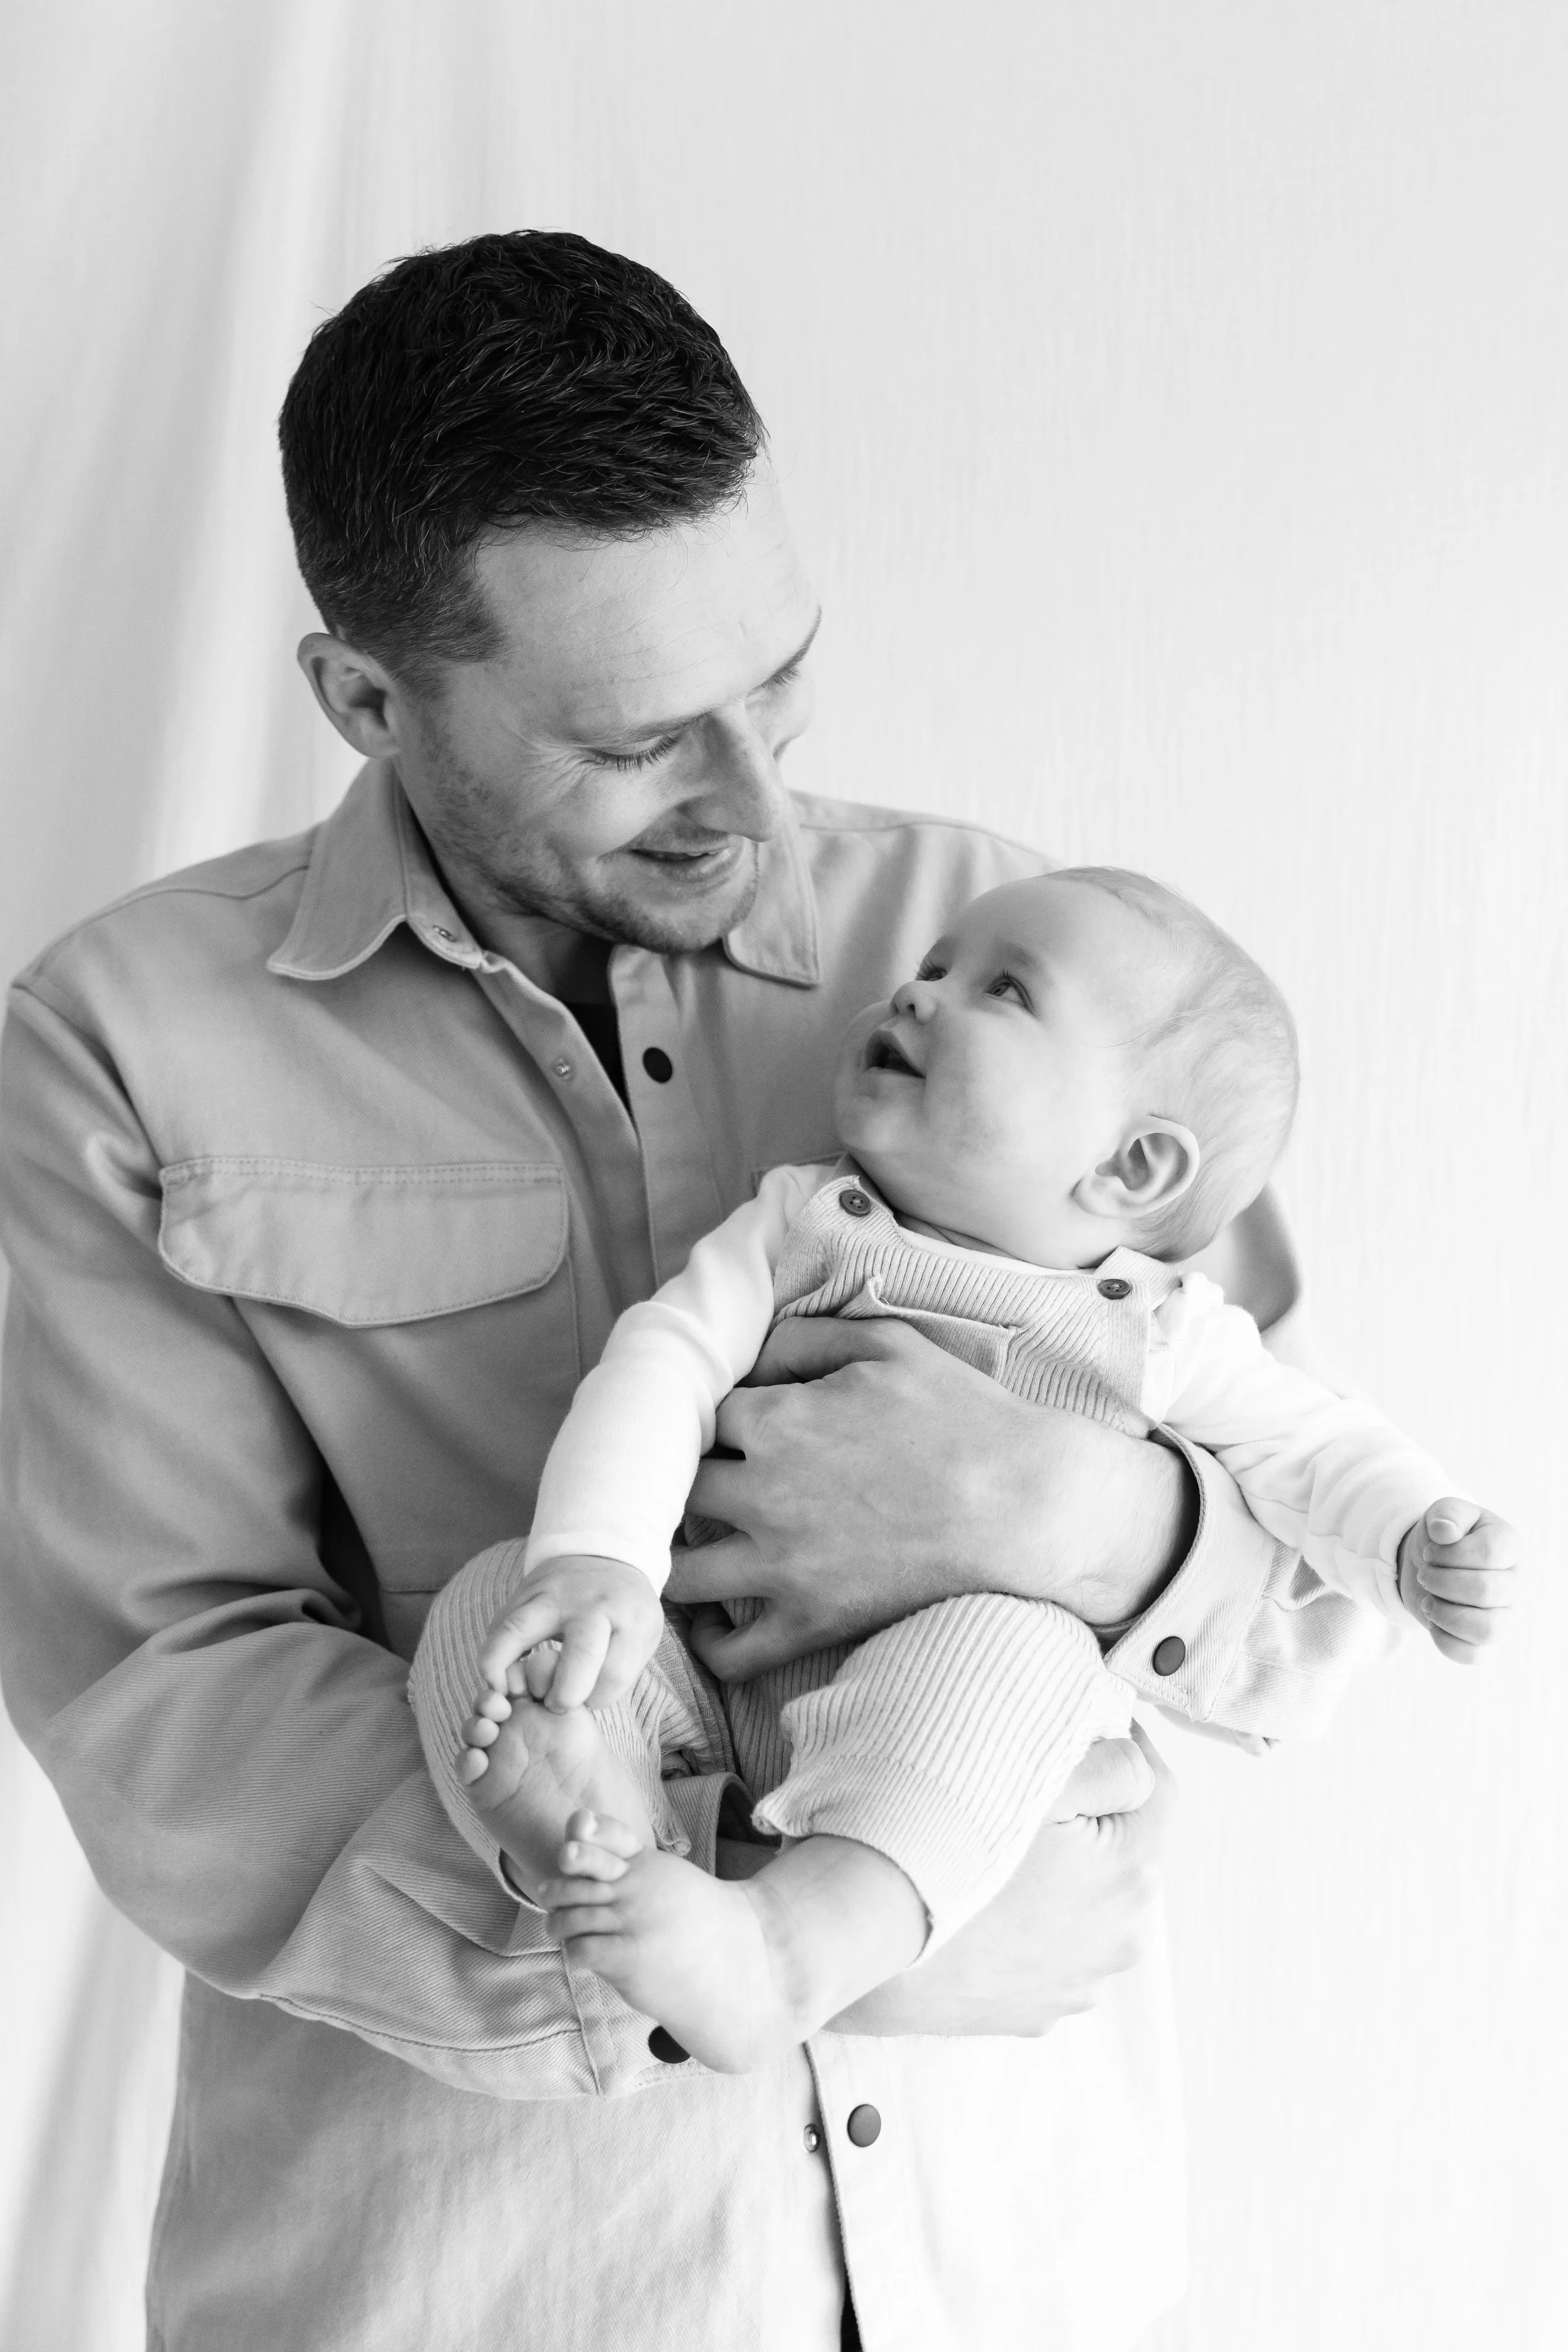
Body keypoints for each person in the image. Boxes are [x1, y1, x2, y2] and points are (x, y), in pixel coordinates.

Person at [0, 231, 1476, 2352]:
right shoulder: (127, 1036)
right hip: (463, 2281)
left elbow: (1311, 1594)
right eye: (636, 742)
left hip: (1019, 2273)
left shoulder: (1005, 937)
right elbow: (166, 1695)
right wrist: (742, 1945)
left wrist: (1072, 1520)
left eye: (781, 680)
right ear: (367, 698)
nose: (767, 809)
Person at [430, 866, 1516, 2075]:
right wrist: (599, 1563)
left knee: (1019, 1654)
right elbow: (663, 1361)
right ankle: (618, 1847)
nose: (922, 990)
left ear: (1134, 1169)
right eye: (935, 965)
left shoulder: (1162, 1330)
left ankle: (790, 1948)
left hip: (934, 1731)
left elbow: (1311, 1452)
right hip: (695, 1675)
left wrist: (1413, 1533)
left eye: (1002, 990)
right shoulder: (799, 1225)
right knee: (501, 1609)